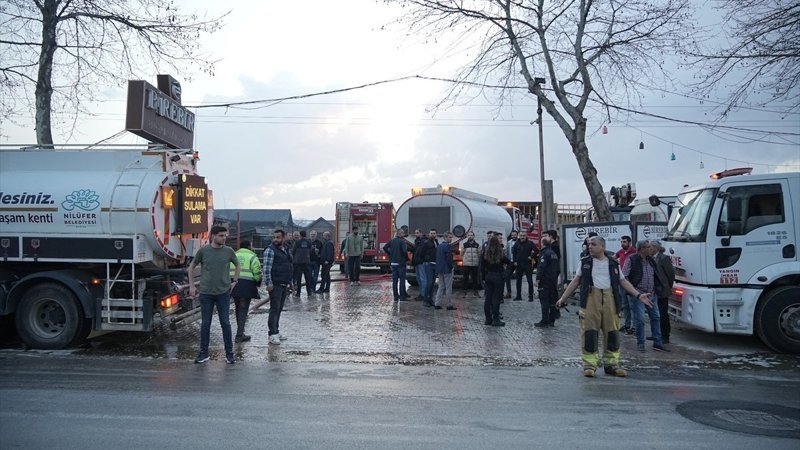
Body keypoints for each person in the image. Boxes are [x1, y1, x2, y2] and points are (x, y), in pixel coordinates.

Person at [556, 235, 653, 377]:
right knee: (589, 333)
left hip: (610, 300)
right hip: (590, 300)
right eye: (589, 244)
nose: (590, 246)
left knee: (612, 333)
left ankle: (612, 365)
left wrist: (638, 295)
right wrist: (563, 298)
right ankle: (589, 365)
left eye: (593, 244)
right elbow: (576, 281)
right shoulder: (585, 262)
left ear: (602, 247)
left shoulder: (613, 263)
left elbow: (623, 281)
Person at [188, 225, 239, 364]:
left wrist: (235, 281)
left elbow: (237, 265)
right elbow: (191, 266)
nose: (224, 238)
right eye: (221, 235)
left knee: (225, 323)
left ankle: (229, 354)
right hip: (206, 293)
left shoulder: (229, 251)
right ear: (213, 236)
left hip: (223, 293)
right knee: (205, 324)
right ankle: (203, 353)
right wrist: (192, 285)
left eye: (225, 236)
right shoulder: (204, 251)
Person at [622, 240, 669, 353]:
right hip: (638, 295)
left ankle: (657, 343)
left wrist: (657, 289)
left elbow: (656, 275)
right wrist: (634, 291)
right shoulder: (632, 259)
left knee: (656, 317)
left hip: (651, 294)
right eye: (648, 247)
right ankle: (641, 343)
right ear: (642, 249)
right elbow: (624, 276)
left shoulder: (651, 260)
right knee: (640, 319)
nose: (650, 249)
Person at [263, 229, 292, 345]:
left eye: (278, 237)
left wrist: (290, 281)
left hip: (283, 282)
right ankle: (272, 333)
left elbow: (288, 266)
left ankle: (276, 330)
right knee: (274, 309)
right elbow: (266, 268)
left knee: (279, 308)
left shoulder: (286, 250)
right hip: (275, 284)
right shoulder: (270, 250)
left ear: (283, 238)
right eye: (274, 237)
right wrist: (269, 282)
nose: (275, 239)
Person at [229, 240, 261, 343]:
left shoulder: (234, 255)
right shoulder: (252, 257)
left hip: (234, 284)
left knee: (238, 308)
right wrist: (258, 281)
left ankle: (240, 332)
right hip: (247, 285)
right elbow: (257, 272)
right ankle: (239, 335)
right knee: (243, 310)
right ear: (249, 246)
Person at [483, 235, 510, 326]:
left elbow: (482, 266)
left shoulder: (486, 252)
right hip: (498, 276)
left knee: (488, 298)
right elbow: (508, 262)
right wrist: (506, 273)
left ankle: (488, 319)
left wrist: (484, 277)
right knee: (496, 299)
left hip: (489, 276)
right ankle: (496, 319)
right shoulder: (500, 252)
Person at [652, 241, 675, 345]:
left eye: (651, 247)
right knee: (655, 314)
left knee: (663, 314)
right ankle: (656, 333)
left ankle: (665, 335)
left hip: (662, 290)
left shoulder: (663, 258)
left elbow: (670, 274)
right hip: (654, 290)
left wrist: (668, 286)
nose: (649, 249)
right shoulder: (651, 258)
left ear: (656, 248)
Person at [534, 235, 560, 327]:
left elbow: (541, 267)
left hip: (545, 281)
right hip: (552, 280)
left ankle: (544, 320)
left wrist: (537, 279)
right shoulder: (553, 253)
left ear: (542, 243)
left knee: (544, 301)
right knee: (552, 301)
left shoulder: (545, 253)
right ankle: (551, 320)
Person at [615, 236, 637, 334]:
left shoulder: (634, 252)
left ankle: (635, 326)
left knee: (632, 305)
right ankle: (627, 324)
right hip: (621, 281)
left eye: (624, 242)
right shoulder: (620, 252)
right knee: (625, 304)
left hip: (630, 282)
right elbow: (612, 258)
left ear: (629, 242)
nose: (622, 244)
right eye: (621, 242)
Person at [383, 228, 409, 301]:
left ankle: (395, 296)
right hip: (401, 263)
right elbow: (404, 251)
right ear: (399, 234)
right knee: (402, 280)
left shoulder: (392, 241)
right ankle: (402, 297)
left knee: (395, 281)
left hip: (393, 263)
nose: (404, 234)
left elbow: (385, 247)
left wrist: (390, 253)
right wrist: (407, 259)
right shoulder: (402, 241)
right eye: (402, 233)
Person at [434, 231, 456, 310]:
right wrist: (451, 267)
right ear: (445, 237)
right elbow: (449, 259)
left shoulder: (439, 246)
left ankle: (437, 303)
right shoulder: (447, 246)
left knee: (441, 286)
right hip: (447, 269)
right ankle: (449, 304)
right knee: (448, 287)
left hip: (440, 269)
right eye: (450, 237)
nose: (451, 239)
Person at [512, 230, 535, 301]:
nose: (522, 237)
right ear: (519, 236)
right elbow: (514, 253)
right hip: (519, 264)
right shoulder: (516, 243)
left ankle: (531, 296)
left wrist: (531, 256)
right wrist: (515, 261)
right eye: (521, 236)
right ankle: (518, 296)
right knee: (518, 281)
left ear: (526, 236)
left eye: (524, 236)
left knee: (529, 281)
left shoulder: (530, 243)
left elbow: (536, 250)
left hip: (527, 264)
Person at [420, 229, 439, 306]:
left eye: (434, 233)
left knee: (433, 283)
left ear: (436, 234)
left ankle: (430, 299)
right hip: (428, 264)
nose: (432, 235)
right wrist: (426, 259)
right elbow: (421, 252)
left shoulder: (436, 242)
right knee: (429, 282)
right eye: (431, 233)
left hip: (435, 264)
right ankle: (425, 300)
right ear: (429, 234)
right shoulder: (426, 243)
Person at [292, 230, 313, 297]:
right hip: (307, 262)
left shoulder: (297, 242)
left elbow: (293, 251)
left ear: (300, 235)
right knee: (308, 278)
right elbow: (311, 251)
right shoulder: (309, 242)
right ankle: (309, 292)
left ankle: (298, 293)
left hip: (298, 263)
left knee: (299, 279)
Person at [460, 231, 481, 297]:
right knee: (465, 278)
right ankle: (464, 291)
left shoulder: (477, 245)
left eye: (471, 235)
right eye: (469, 235)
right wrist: (465, 259)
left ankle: (475, 291)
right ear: (467, 236)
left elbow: (479, 254)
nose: (470, 236)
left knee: (475, 279)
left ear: (473, 236)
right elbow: (461, 254)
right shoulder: (464, 245)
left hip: (475, 264)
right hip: (466, 264)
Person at [504, 230, 518, 299]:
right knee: (507, 276)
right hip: (510, 262)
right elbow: (507, 252)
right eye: (512, 235)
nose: (513, 236)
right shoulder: (509, 242)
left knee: (519, 278)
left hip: (518, 262)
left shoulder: (519, 242)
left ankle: (519, 294)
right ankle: (508, 293)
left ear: (517, 235)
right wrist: (506, 262)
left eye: (515, 235)